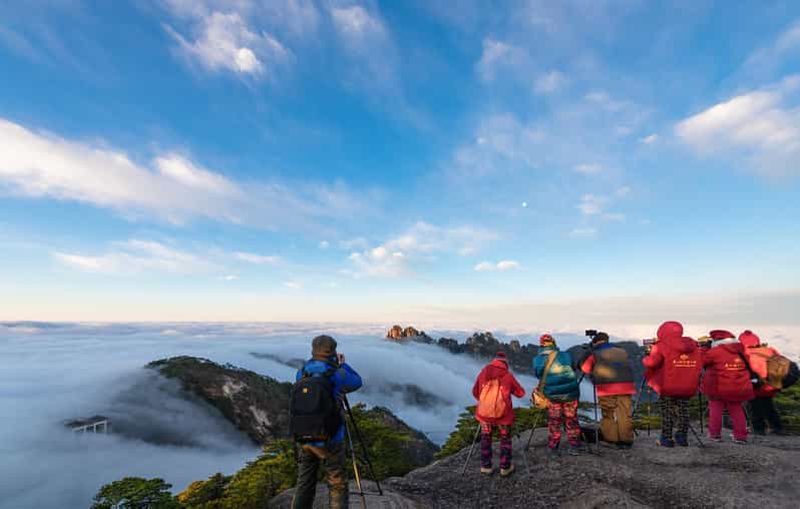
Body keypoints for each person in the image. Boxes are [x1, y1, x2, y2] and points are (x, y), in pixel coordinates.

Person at [291, 335, 362, 509]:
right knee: (337, 483)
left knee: (304, 482)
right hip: (331, 437)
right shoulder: (337, 374)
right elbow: (357, 382)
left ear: (313, 350)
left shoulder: (302, 373)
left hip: (305, 435)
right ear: (333, 351)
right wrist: (343, 365)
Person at [642, 321, 702, 447]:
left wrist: (647, 356)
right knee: (683, 411)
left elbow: (651, 363)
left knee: (667, 412)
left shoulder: (661, 346)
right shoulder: (694, 346)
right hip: (688, 385)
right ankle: (682, 438)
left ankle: (666, 439)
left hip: (668, 385)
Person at [472, 351, 525, 476]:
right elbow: (521, 393)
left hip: (484, 415)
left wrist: (487, 402)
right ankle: (505, 468)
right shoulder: (508, 375)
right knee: (505, 439)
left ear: (494, 361)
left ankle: (486, 466)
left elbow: (475, 392)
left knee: (485, 438)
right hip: (504, 416)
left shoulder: (483, 373)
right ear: (505, 364)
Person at [580, 332, 636, 448]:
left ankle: (611, 439)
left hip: (607, 387)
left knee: (608, 414)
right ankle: (626, 440)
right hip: (626, 386)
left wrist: (588, 353)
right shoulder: (622, 351)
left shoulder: (595, 353)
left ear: (595, 342)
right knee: (624, 413)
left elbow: (585, 368)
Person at [533, 334, 582, 456]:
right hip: (571, 393)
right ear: (554, 343)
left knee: (554, 421)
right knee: (571, 419)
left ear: (541, 344)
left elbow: (539, 375)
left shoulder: (537, 359)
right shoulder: (566, 355)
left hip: (552, 395)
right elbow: (573, 367)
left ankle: (554, 448)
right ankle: (574, 446)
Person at [702, 330, 754, 444]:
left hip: (718, 386)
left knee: (715, 409)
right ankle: (740, 436)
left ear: (716, 341)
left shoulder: (715, 352)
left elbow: (702, 361)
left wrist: (705, 349)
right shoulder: (741, 350)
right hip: (738, 386)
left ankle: (714, 434)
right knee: (737, 410)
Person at [739, 330, 784, 435]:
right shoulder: (769, 350)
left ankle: (759, 430)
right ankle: (777, 428)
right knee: (769, 406)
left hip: (754, 386)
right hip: (770, 385)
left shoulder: (744, 353)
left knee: (754, 408)